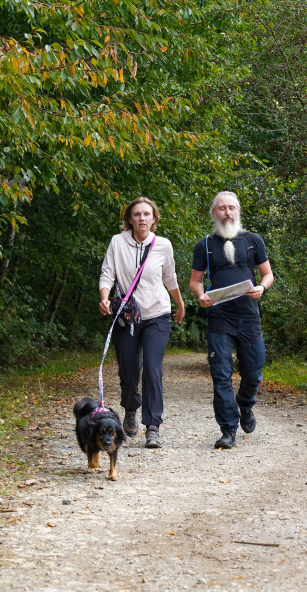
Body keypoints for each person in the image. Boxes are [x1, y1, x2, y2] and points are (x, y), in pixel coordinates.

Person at [189, 191, 274, 449]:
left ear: (238, 211)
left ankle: (246, 404)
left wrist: (262, 288)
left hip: (249, 317)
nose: (227, 213)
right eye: (221, 209)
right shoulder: (204, 245)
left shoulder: (253, 241)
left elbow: (268, 274)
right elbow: (195, 281)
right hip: (219, 318)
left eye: (231, 208)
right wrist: (201, 295)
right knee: (221, 374)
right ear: (214, 213)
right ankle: (228, 430)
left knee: (254, 372)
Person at [99, 197, 186, 448]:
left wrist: (179, 304)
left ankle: (153, 426)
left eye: (147, 214)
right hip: (126, 318)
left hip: (157, 314)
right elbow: (108, 273)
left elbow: (170, 277)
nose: (142, 219)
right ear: (129, 219)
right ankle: (130, 408)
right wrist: (104, 298)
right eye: (137, 214)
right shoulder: (118, 242)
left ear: (154, 218)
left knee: (152, 369)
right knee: (128, 371)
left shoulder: (163, 245)